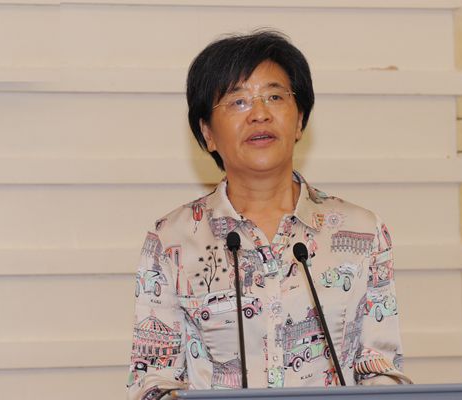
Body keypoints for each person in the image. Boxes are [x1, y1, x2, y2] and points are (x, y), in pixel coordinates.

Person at [127, 30, 411, 400]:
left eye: (275, 97)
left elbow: (379, 369)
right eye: (238, 101)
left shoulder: (362, 232)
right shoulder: (171, 240)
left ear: (300, 120)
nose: (260, 114)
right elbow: (153, 381)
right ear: (207, 133)